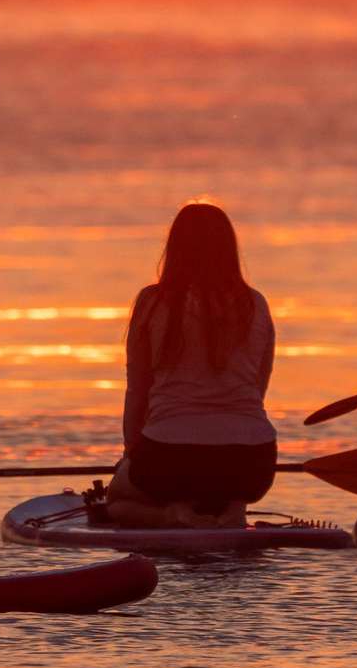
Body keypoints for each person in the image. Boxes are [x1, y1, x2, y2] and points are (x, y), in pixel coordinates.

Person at [106, 202, 277, 529]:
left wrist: (131, 455)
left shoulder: (152, 301)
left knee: (115, 501)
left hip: (171, 457)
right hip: (252, 463)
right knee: (221, 486)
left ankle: (174, 513)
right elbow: (258, 388)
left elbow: (138, 390)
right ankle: (234, 510)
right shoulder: (255, 302)